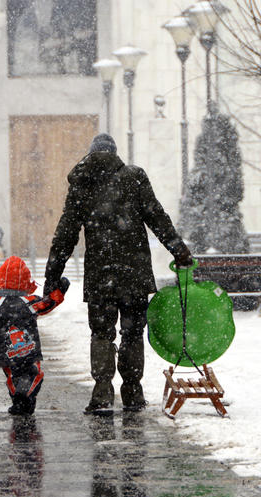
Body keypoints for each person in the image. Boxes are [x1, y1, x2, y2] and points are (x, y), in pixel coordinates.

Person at [44, 133, 194, 414]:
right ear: (114, 153)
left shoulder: (82, 183)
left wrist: (52, 274)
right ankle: (133, 393)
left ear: (91, 154)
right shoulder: (134, 177)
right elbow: (156, 217)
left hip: (101, 275)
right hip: (134, 273)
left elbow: (65, 235)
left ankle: (102, 393)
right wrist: (179, 250)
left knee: (101, 334)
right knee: (133, 333)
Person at [0, 255, 69, 415]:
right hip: (29, 349)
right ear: (25, 280)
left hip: (6, 351)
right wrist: (60, 291)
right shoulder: (29, 302)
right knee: (34, 374)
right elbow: (47, 304)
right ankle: (26, 395)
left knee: (12, 376)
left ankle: (18, 399)